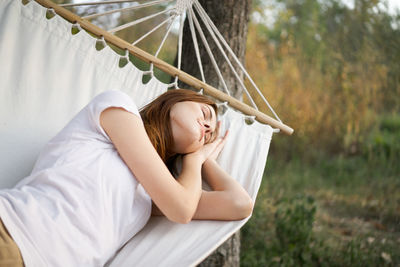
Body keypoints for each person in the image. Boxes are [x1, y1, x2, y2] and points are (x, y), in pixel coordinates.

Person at [0, 89, 254, 266]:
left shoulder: (152, 195)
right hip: (11, 231)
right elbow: (181, 209)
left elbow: (239, 204)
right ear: (175, 99)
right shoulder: (116, 108)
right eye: (205, 114)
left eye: (210, 135)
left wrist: (199, 158)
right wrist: (197, 157)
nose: (208, 127)